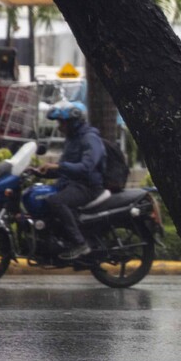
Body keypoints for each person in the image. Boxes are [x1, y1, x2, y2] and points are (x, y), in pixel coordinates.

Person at [36, 101, 106, 260]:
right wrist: (40, 172)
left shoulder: (90, 138)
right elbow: (64, 169)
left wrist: (58, 166)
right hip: (72, 184)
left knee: (56, 201)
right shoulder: (72, 139)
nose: (60, 127)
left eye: (62, 122)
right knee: (41, 196)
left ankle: (80, 244)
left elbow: (86, 167)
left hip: (88, 186)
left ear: (75, 122)